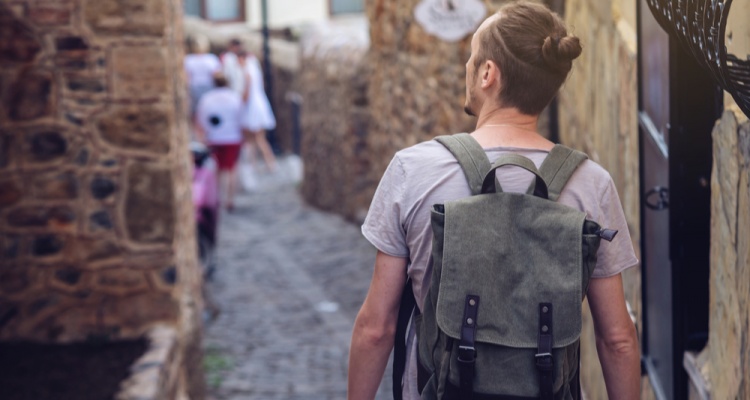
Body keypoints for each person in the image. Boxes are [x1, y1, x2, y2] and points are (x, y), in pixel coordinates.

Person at [347, 2, 641, 400]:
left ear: (488, 73)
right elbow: (617, 339)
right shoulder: (590, 184)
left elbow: (376, 328)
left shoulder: (412, 170)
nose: (467, 68)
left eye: (472, 58)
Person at [194, 72, 244, 212]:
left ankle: (217, 198)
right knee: (231, 169)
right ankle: (230, 199)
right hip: (232, 138)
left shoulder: (207, 99)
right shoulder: (234, 97)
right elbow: (241, 118)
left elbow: (201, 120)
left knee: (217, 169)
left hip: (214, 138)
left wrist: (204, 136)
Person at [236, 50, 277, 172]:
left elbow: (247, 92)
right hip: (257, 105)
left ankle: (267, 163)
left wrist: (240, 101)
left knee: (257, 138)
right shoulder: (254, 69)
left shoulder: (248, 71)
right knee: (256, 138)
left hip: (252, 108)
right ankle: (260, 163)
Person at [184, 34, 221, 119]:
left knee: (197, 110)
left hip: (195, 87)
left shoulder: (189, 59)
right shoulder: (211, 59)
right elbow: (216, 74)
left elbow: (187, 76)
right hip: (207, 87)